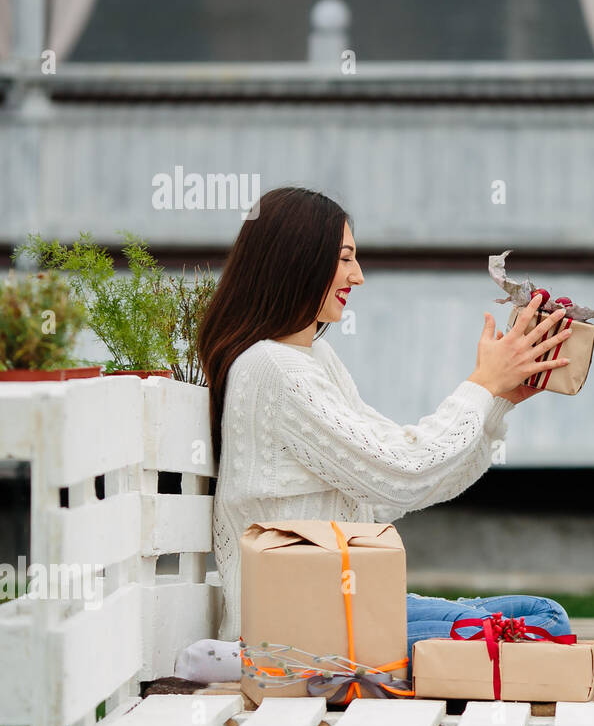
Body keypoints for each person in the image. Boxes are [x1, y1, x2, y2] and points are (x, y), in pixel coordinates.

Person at [185, 186, 573, 682]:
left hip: (341, 609)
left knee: (540, 612)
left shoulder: (309, 360)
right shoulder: (274, 369)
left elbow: (402, 483)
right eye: (345, 258)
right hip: (303, 636)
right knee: (544, 622)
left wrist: (496, 401)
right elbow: (404, 472)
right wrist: (482, 384)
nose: (358, 275)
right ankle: (241, 661)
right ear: (297, 259)